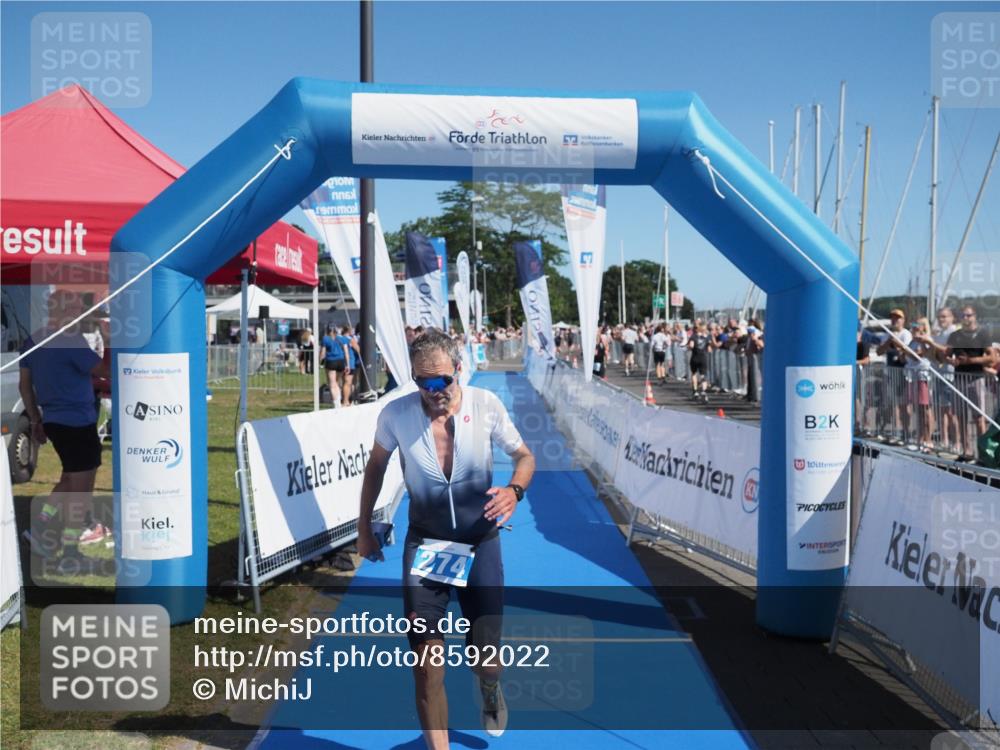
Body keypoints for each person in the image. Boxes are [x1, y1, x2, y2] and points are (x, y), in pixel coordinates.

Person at [357, 329, 536, 748]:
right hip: (426, 546)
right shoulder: (396, 414)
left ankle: (489, 686)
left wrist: (514, 491)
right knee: (426, 665)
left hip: (480, 541)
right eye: (422, 381)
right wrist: (364, 527)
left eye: (441, 379)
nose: (433, 390)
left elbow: (525, 456)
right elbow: (375, 468)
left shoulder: (485, 405)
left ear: (459, 369)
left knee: (486, 659)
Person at [19, 290, 110, 571]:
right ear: (64, 310)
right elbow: (105, 369)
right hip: (77, 423)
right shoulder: (70, 339)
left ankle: (38, 529)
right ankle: (70, 553)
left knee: (69, 481)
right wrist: (108, 337)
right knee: (80, 493)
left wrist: (36, 420)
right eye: (76, 308)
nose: (80, 313)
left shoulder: (33, 340)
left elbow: (25, 386)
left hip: (55, 421)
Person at [946, 305, 992, 460]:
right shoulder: (954, 335)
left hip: (976, 379)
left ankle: (983, 454)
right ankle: (967, 451)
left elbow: (991, 357)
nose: (965, 318)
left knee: (979, 418)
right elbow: (946, 354)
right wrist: (951, 361)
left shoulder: (983, 334)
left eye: (968, 315)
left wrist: (970, 360)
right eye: (963, 316)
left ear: (974, 316)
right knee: (961, 417)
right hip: (959, 379)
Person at [876, 309, 912, 443]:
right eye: (893, 318)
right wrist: (888, 342)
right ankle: (895, 432)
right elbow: (879, 352)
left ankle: (906, 433)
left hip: (904, 373)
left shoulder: (906, 334)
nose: (895, 320)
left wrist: (895, 341)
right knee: (892, 404)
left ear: (903, 320)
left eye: (898, 318)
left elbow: (907, 351)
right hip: (890, 373)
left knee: (904, 405)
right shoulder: (887, 334)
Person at [319, 325, 349, 408]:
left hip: (331, 361)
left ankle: (336, 403)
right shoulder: (342, 339)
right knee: (337, 382)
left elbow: (322, 353)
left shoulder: (325, 339)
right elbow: (346, 352)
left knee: (332, 383)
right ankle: (339, 399)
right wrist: (348, 364)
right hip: (341, 361)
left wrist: (319, 361)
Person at [688, 320, 711, 403]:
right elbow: (709, 349)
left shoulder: (693, 336)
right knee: (703, 375)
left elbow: (691, 346)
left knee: (694, 374)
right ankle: (703, 392)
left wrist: (689, 347)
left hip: (695, 357)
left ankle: (695, 392)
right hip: (703, 358)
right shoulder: (707, 337)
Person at [340, 325, 361, 406]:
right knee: (349, 383)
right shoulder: (350, 339)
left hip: (341, 362)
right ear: (348, 331)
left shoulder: (339, 338)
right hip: (350, 363)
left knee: (344, 382)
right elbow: (358, 349)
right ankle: (347, 400)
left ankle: (345, 399)